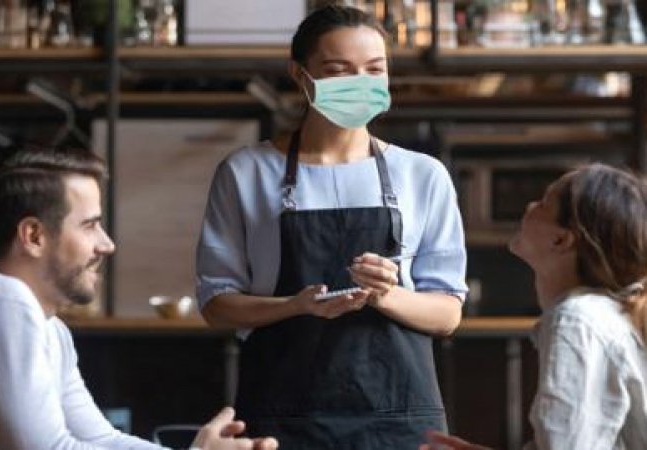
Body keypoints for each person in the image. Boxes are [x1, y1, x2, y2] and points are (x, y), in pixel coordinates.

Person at [195, 4, 468, 448]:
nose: (359, 83)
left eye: (374, 70)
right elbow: (216, 303)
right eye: (339, 70)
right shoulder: (247, 172)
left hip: (397, 418)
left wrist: (386, 294)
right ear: (300, 75)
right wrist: (295, 305)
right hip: (283, 414)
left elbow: (447, 313)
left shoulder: (423, 175)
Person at [0, 146, 278, 450]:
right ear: (33, 236)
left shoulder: (52, 330)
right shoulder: (8, 300)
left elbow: (104, 439)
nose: (107, 244)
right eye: (89, 225)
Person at [421, 163, 647, 450]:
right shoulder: (603, 314)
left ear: (560, 240)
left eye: (543, 203)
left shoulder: (577, 319)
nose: (529, 206)